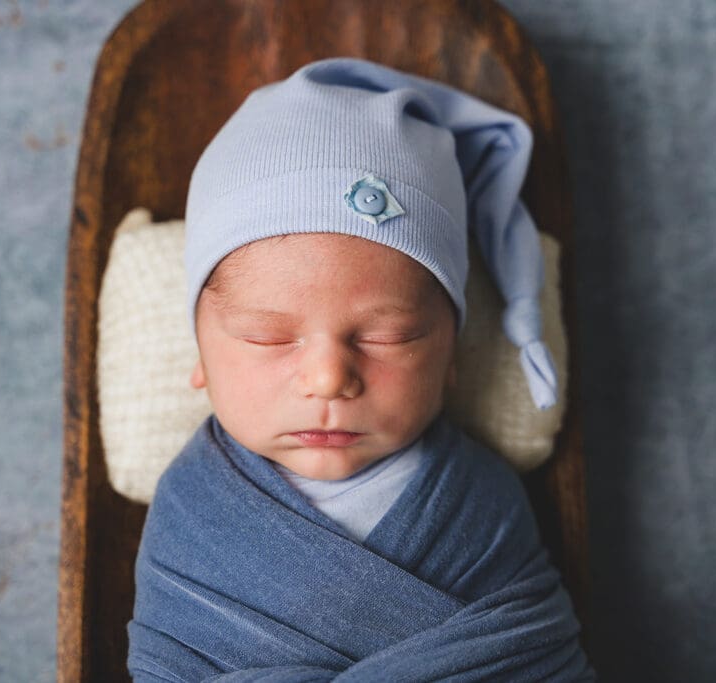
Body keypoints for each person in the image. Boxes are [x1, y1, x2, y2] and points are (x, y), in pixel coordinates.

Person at [127, 57, 594, 681]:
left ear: (451, 356)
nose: (328, 378)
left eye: (386, 336)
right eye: (268, 337)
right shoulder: (192, 512)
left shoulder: (480, 504)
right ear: (201, 359)